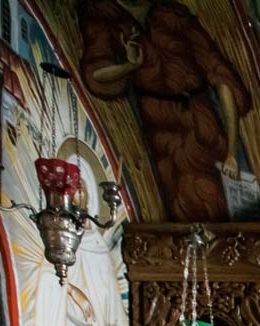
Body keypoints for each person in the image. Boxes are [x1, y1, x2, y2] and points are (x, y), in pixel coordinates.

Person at [80, 0, 251, 222]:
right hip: (163, 137)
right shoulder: (104, 15)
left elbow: (221, 76)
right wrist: (129, 66)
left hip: (203, 126)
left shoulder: (173, 15)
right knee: (185, 204)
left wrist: (231, 153)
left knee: (222, 203)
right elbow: (95, 75)